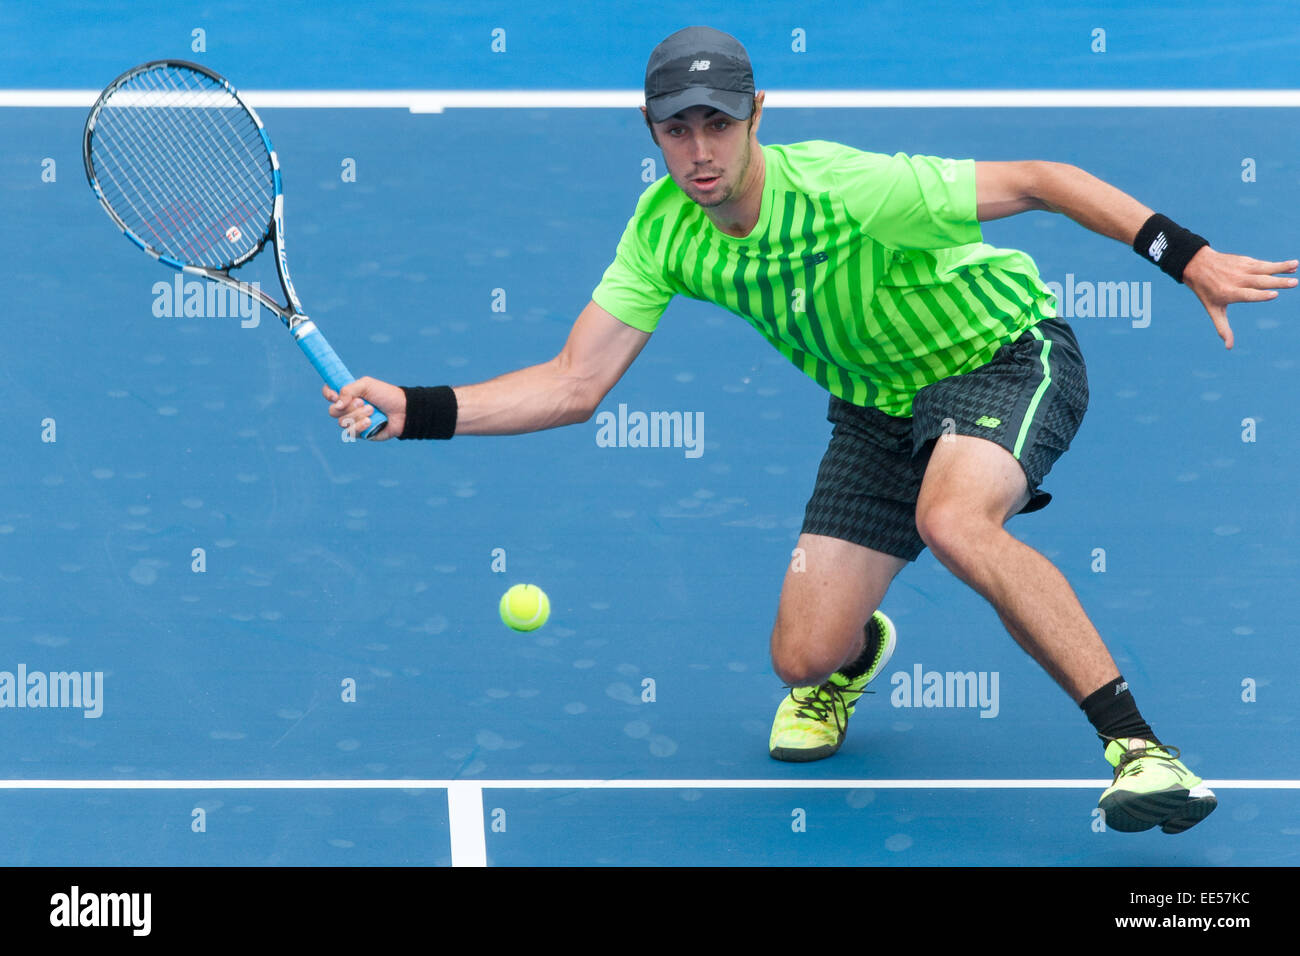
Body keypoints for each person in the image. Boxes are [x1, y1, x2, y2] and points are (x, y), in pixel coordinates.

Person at [324, 26, 1294, 834]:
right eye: (676, 129)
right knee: (800, 658)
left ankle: (1139, 748)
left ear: (756, 119)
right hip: (875, 407)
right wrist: (418, 409)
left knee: (956, 520)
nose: (698, 149)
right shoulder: (663, 232)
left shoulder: (846, 190)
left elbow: (1040, 178)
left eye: (716, 123)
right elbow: (577, 383)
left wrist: (1188, 256)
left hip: (1000, 355)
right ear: (651, 134)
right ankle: (857, 654)